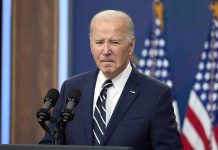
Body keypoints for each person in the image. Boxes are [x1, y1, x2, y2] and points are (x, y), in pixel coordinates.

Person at [40, 10, 183, 150]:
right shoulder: (71, 88)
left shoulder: (156, 94)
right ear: (91, 45)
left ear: (131, 45)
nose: (106, 50)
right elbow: (50, 144)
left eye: (114, 42)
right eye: (99, 42)